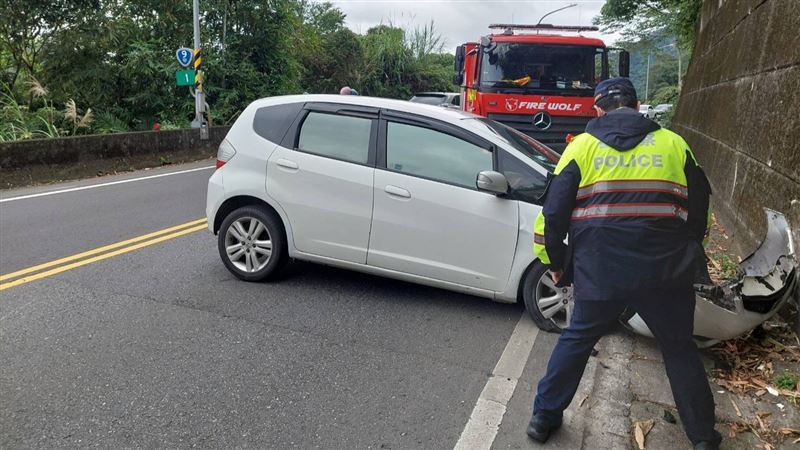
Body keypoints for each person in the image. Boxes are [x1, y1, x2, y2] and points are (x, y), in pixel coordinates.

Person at [528, 77, 721, 450]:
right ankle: (703, 439)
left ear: (597, 109)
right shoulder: (674, 144)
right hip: (665, 275)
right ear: (636, 106)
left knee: (577, 339)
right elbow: (700, 212)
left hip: (600, 274)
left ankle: (543, 419)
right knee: (679, 348)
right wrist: (686, 251)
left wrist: (557, 264)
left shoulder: (581, 148)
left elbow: (553, 216)